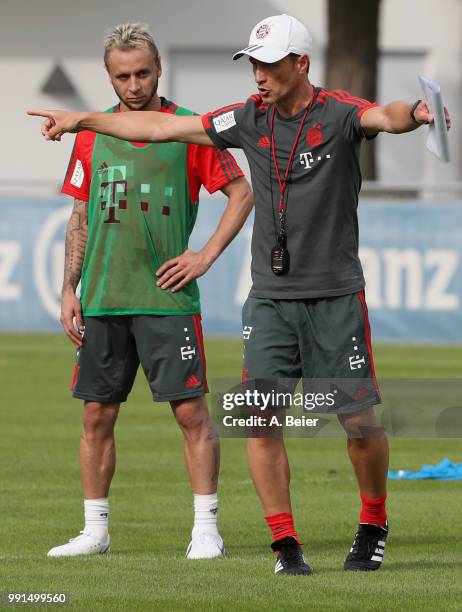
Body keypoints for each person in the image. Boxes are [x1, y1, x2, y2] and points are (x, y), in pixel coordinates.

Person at [29, 14, 451, 574]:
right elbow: (157, 129)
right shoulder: (245, 117)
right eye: (253, 63)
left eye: (270, 64)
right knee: (260, 418)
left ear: (300, 64)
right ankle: (285, 545)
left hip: (334, 295)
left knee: (358, 424)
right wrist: (80, 118)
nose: (258, 75)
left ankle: (373, 521)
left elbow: (385, 115)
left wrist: (417, 115)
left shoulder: (340, 112)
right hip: (270, 298)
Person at [38, 23, 252, 559]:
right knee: (96, 416)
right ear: (108, 76)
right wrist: (70, 288)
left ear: (159, 69)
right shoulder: (92, 133)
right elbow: (82, 211)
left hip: (166, 298)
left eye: (143, 73)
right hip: (104, 298)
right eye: (122, 75)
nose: (133, 85)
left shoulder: (189, 129)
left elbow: (241, 193)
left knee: (191, 414)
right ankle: (96, 531)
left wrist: (204, 256)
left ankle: (206, 528)